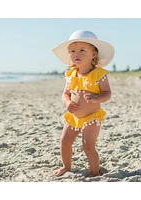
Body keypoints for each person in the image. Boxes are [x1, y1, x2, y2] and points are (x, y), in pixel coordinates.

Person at [52, 30, 115, 177]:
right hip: (74, 117)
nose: (77, 54)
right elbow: (65, 94)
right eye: (73, 51)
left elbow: (107, 93)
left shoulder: (99, 74)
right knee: (65, 141)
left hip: (92, 117)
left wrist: (97, 98)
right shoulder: (71, 74)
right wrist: (67, 102)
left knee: (88, 147)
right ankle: (66, 166)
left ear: (93, 54)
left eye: (82, 50)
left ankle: (94, 171)